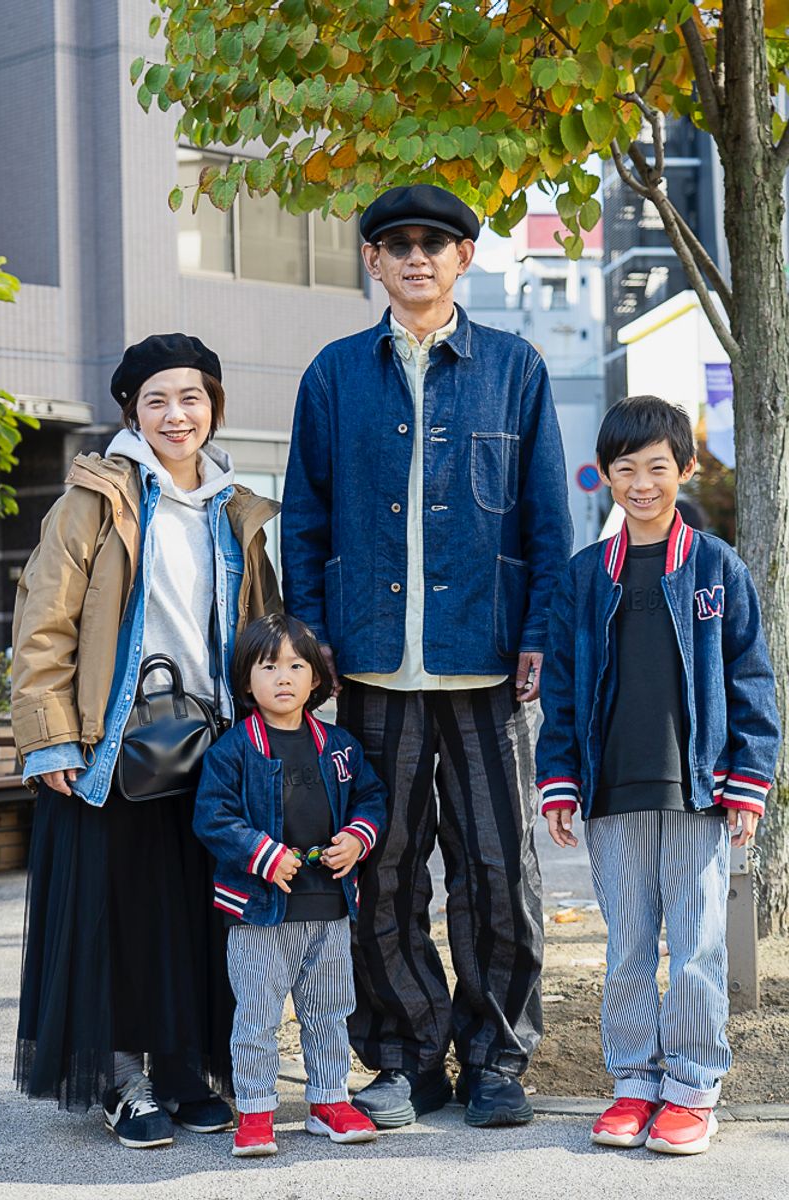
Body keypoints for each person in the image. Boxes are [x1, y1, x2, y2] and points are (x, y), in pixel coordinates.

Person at [281, 184, 572, 1128]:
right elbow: (308, 520)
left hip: (487, 666)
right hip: (371, 669)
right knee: (384, 867)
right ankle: (405, 1057)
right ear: (372, 261)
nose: (416, 257)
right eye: (396, 244)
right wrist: (314, 642)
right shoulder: (332, 376)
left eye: (435, 244)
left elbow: (545, 519)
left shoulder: (515, 369)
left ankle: (495, 1059)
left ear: (464, 259)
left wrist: (536, 633)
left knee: (497, 865)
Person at [11, 333, 281, 1148]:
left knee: (197, 915)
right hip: (112, 747)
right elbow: (43, 624)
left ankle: (183, 1068)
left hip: (212, 747)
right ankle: (123, 1083)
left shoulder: (237, 508)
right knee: (118, 917)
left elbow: (258, 633)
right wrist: (52, 740)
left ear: (214, 407)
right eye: (157, 399)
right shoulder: (95, 501)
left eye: (192, 397)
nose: (176, 414)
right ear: (132, 409)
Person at [536, 395, 780, 1155]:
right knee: (630, 945)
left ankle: (693, 1088)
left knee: (700, 943)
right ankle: (635, 1082)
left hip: (698, 792)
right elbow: (563, 687)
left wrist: (748, 779)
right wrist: (560, 779)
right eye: (625, 469)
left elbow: (751, 676)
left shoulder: (716, 566)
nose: (641, 483)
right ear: (606, 476)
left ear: (685, 469)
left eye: (657, 468)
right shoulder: (585, 576)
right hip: (612, 795)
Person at [193, 613, 387, 1156]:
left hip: (327, 910)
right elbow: (213, 816)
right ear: (246, 680)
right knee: (256, 1013)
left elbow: (372, 798)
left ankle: (328, 1099)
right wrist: (263, 854)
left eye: (297, 665)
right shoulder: (234, 750)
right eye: (269, 665)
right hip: (259, 914)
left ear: (315, 678)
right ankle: (255, 1111)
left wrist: (358, 837)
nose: (284, 677)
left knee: (329, 1010)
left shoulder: (339, 745)